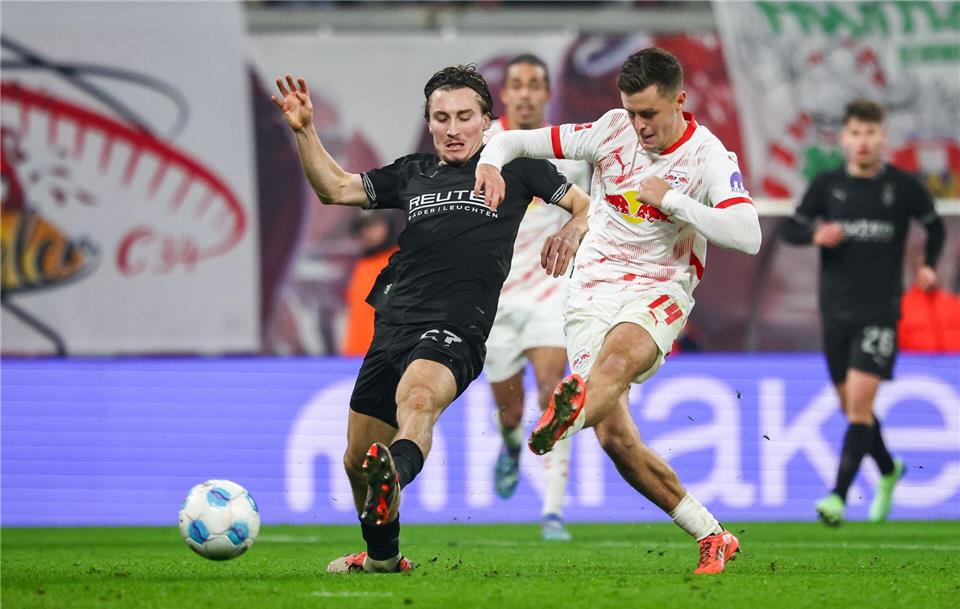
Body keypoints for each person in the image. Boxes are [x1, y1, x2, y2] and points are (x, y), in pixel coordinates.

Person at [272, 66, 590, 573]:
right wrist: (306, 130)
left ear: (487, 121)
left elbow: (586, 207)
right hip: (395, 323)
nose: (453, 128)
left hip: (459, 324)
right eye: (442, 118)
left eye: (465, 117)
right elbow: (335, 188)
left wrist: (573, 229)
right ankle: (383, 556)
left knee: (418, 400)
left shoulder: (517, 167)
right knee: (356, 457)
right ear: (430, 123)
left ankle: (394, 477)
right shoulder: (413, 172)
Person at [475, 47, 762, 574]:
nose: (638, 125)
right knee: (614, 437)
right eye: (631, 112)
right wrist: (491, 164)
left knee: (615, 363)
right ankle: (712, 534)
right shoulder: (610, 131)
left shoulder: (708, 157)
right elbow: (515, 140)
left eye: (648, 113)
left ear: (679, 100)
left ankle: (564, 421)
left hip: (659, 290)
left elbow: (748, 235)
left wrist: (674, 201)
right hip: (590, 292)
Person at [781, 98, 946, 526]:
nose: (863, 141)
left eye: (870, 133)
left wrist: (928, 263)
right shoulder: (827, 186)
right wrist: (816, 233)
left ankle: (837, 497)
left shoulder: (902, 187)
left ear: (883, 137)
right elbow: (790, 228)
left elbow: (935, 225)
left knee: (858, 408)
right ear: (844, 138)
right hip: (836, 311)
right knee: (854, 409)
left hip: (880, 311)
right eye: (855, 133)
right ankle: (889, 470)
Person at [484, 54, 591, 541]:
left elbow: (591, 214)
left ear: (547, 93)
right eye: (517, 84)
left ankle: (552, 511)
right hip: (496, 299)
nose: (525, 93)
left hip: (552, 290)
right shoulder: (486, 148)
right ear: (505, 94)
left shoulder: (570, 153)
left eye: (534, 85)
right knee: (510, 411)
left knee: (553, 392)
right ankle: (510, 445)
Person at [341, 211, 398, 356]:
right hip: (355, 355)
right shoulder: (362, 265)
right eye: (364, 227)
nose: (369, 232)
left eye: (375, 225)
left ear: (389, 226)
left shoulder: (400, 262)